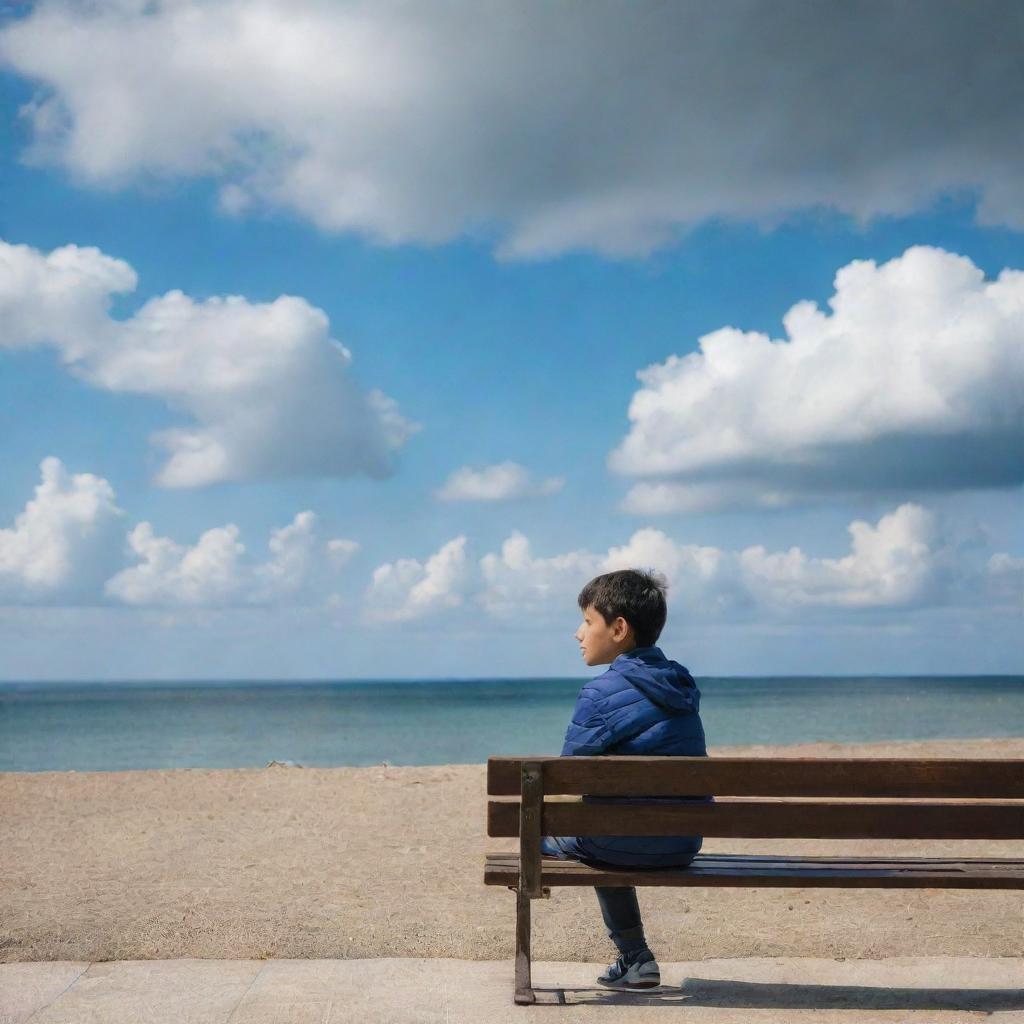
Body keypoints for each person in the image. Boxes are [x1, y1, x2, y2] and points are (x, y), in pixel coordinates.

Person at [541, 568, 708, 991]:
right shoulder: (682, 688)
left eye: (588, 621)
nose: (578, 633)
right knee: (607, 827)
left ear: (619, 629)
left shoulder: (599, 693)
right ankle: (635, 959)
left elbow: (565, 774)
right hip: (683, 841)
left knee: (559, 837)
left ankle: (635, 956)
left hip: (618, 844)